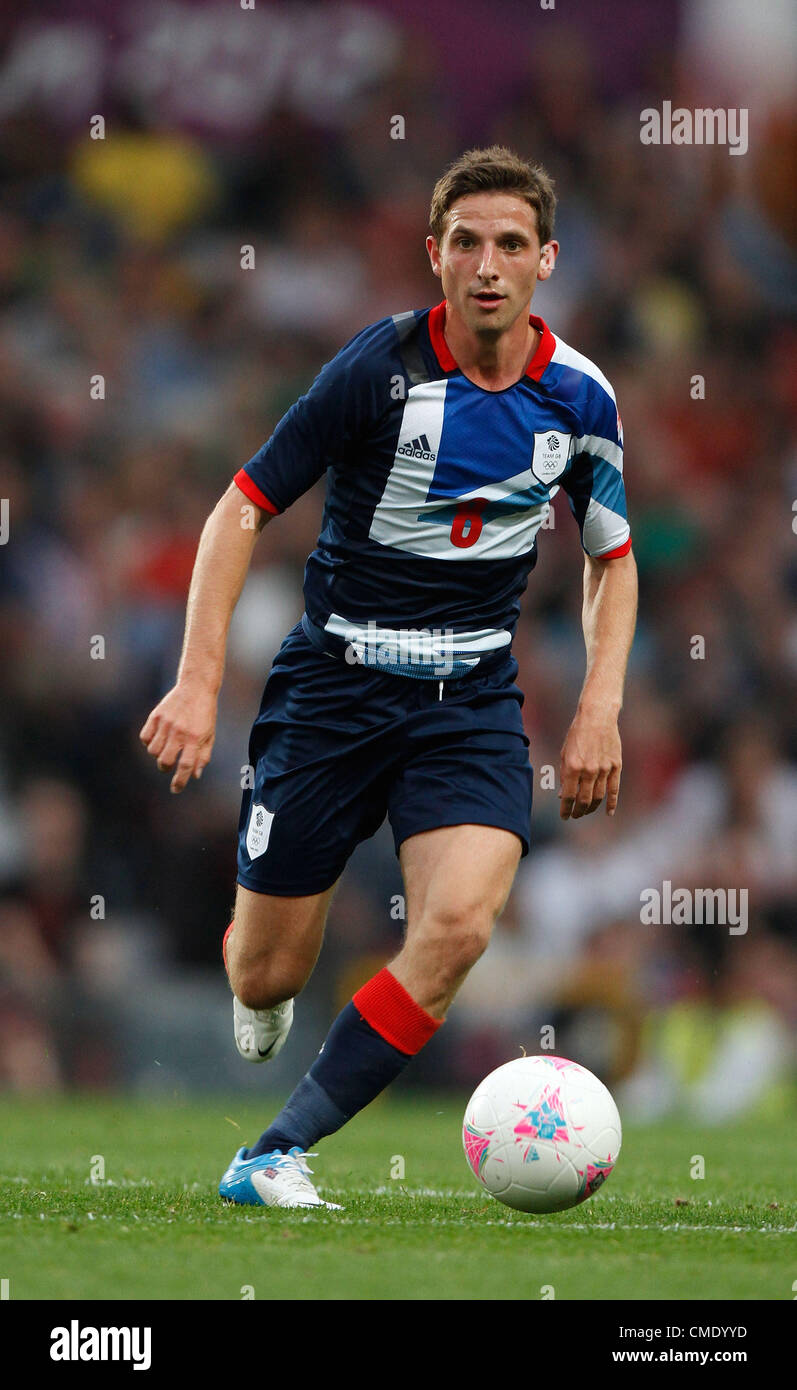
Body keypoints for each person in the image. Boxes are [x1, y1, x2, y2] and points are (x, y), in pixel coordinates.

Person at [139, 146, 637, 1210]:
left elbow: (610, 557)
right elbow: (239, 509)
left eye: (511, 244)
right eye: (466, 243)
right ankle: (256, 962)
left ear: (546, 259)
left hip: (469, 702)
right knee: (266, 972)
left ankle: (272, 1152)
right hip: (333, 686)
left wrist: (598, 706)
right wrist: (195, 680)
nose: (488, 265)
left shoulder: (581, 398)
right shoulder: (376, 370)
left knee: (455, 928)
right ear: (434, 256)